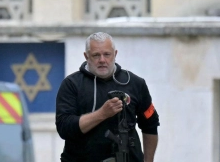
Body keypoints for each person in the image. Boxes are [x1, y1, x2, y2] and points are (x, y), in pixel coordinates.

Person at [55, 32, 159, 162]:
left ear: (115, 54)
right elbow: (64, 128)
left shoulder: (134, 83)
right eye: (96, 55)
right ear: (86, 56)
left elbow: (151, 123)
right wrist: (102, 114)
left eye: (107, 54)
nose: (102, 60)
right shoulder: (71, 84)